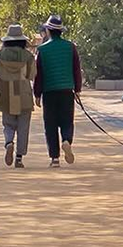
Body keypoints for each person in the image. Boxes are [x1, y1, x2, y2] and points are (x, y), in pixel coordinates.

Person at [33, 12, 82, 166]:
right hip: (67, 90)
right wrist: (78, 89)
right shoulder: (70, 47)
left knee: (50, 124)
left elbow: (38, 74)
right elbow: (76, 69)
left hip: (49, 91)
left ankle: (54, 158)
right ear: (61, 31)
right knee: (67, 122)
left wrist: (37, 94)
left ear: (48, 31)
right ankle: (66, 140)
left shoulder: (42, 50)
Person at [0, 24, 36, 167]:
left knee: (8, 124)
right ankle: (19, 158)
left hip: (5, 92)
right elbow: (32, 75)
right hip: (23, 93)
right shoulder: (28, 56)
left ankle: (9, 142)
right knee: (23, 127)